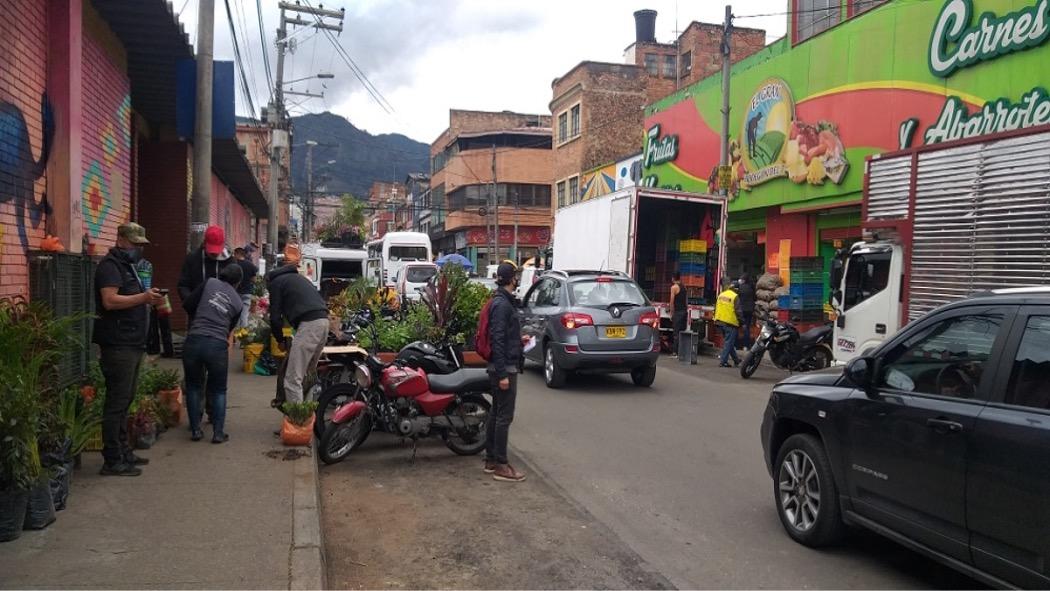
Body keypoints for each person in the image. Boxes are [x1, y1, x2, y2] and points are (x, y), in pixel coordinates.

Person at [93, 223, 164, 476]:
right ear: (120, 239)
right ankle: (112, 459)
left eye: (140, 245)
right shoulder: (110, 267)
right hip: (118, 344)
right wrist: (143, 298)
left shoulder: (128, 266)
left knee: (125, 402)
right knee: (116, 403)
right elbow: (109, 301)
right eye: (134, 244)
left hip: (132, 343)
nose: (137, 249)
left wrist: (148, 297)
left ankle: (123, 451)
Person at [181, 264, 244, 443]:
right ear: (238, 282)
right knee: (219, 390)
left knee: (193, 386)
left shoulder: (209, 283)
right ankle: (218, 433)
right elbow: (229, 328)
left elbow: (188, 304)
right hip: (216, 346)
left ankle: (195, 430)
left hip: (194, 340)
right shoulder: (238, 303)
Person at [267, 243, 329, 406]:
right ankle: (306, 418)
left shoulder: (276, 282)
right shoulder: (300, 279)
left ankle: (297, 424)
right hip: (323, 322)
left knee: (292, 378)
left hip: (309, 325)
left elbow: (275, 318)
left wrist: (280, 340)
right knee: (307, 375)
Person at [484, 261, 526, 483]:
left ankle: (491, 460)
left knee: (496, 413)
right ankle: (501, 464)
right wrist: (502, 374)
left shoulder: (502, 301)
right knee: (504, 417)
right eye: (516, 276)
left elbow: (504, 337)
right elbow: (497, 339)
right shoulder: (502, 305)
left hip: (502, 364)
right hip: (503, 368)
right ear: (511, 279)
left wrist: (519, 342)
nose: (517, 279)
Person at [177, 225, 233, 314]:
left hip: (221, 313)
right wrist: (191, 303)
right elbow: (183, 285)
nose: (214, 254)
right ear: (204, 243)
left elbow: (234, 287)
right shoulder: (192, 258)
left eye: (217, 250)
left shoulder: (229, 261)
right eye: (211, 250)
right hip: (197, 313)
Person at [135, 255, 174, 358]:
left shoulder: (138, 266)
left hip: (148, 300)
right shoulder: (148, 265)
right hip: (157, 302)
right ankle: (165, 350)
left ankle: (153, 348)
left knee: (152, 327)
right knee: (163, 328)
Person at [714, 278, 744, 368]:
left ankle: (736, 360)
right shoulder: (735, 297)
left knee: (729, 342)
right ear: (736, 289)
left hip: (719, 322)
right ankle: (723, 361)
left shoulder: (721, 294)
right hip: (730, 323)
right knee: (728, 342)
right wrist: (742, 323)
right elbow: (738, 312)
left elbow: (716, 308)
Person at [233, 247, 258, 328]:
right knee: (244, 313)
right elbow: (254, 280)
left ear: (237, 254)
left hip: (235, 292)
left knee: (235, 313)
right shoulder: (250, 264)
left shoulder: (233, 264)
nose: (233, 256)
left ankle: (235, 332)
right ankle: (243, 333)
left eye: (234, 254)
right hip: (246, 293)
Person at [736, 272, 756, 350]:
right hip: (749, 310)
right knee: (746, 328)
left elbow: (737, 299)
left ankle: (736, 345)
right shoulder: (751, 288)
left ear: (744, 280)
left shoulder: (740, 288)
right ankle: (746, 346)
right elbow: (754, 298)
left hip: (741, 310)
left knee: (737, 327)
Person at [669, 273, 687, 357]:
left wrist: (671, 313)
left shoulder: (674, 288)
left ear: (673, 278)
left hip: (678, 312)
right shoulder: (684, 287)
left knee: (676, 333)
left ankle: (675, 352)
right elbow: (686, 301)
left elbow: (672, 302)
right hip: (684, 311)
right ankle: (682, 351)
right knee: (682, 332)